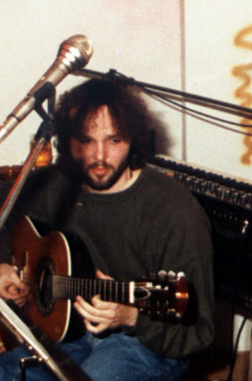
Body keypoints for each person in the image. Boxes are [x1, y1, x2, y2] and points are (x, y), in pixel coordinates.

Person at [0, 79, 215, 380]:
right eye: (86, 140)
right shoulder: (59, 185)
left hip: (144, 344)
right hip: (67, 332)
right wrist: (4, 265)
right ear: (68, 141)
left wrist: (132, 317)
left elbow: (199, 331)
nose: (100, 156)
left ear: (133, 139)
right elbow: (6, 214)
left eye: (114, 140)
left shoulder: (174, 212)